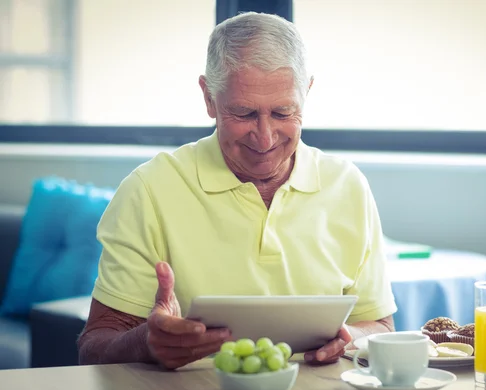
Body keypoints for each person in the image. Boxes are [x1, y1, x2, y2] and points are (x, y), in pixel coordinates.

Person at [77, 12, 397, 370]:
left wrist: (349, 337)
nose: (264, 136)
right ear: (209, 98)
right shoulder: (148, 190)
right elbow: (94, 346)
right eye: (243, 113)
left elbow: (379, 325)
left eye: (282, 112)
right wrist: (146, 342)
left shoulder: (347, 185)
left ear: (306, 93)